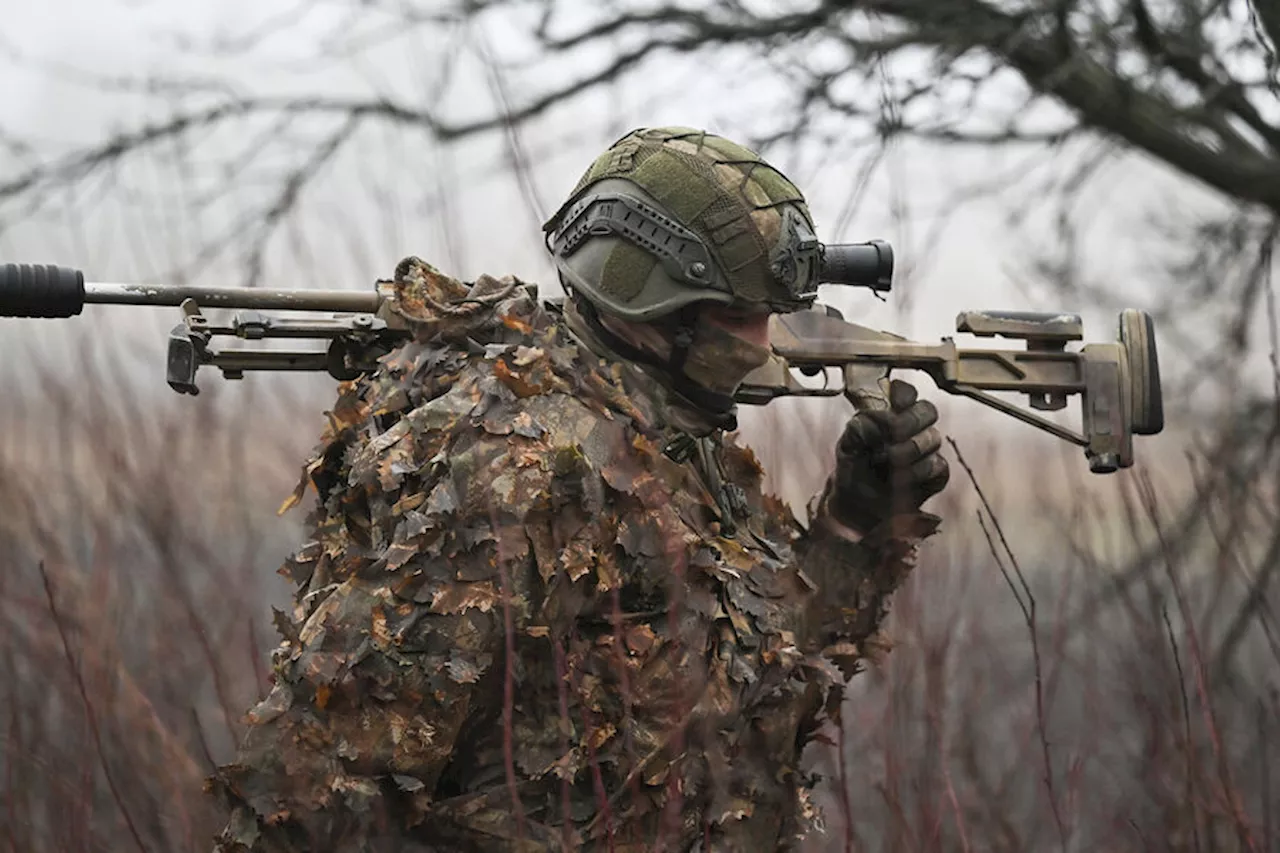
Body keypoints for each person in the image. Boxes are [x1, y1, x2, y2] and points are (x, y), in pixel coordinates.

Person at [208, 126, 950, 852]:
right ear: (649, 307)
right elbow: (315, 789)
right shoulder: (510, 467)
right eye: (736, 316)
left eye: (768, 316)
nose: (761, 346)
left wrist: (855, 526)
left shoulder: (675, 445)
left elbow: (758, 708)